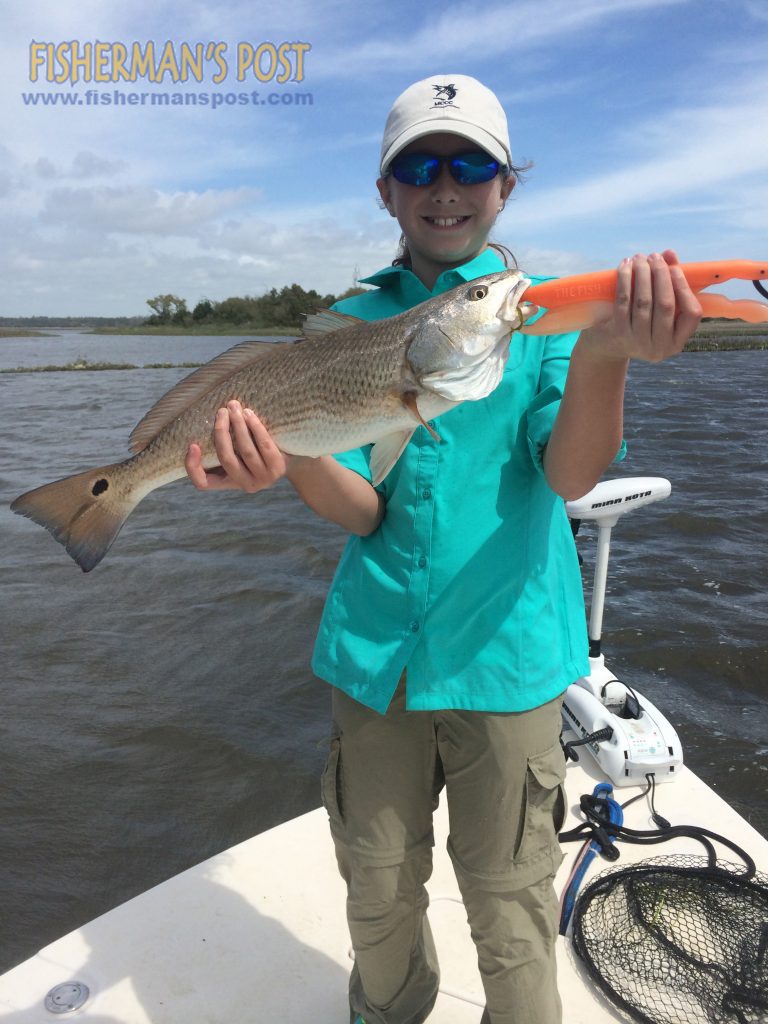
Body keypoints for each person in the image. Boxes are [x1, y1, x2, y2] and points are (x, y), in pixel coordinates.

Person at [185, 74, 702, 1024]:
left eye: (472, 163)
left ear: (507, 185)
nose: (445, 184)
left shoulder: (540, 310)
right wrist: (289, 458)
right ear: (386, 190)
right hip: (375, 658)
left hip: (506, 659)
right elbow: (362, 513)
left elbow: (570, 476)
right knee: (377, 887)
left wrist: (604, 353)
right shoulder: (346, 322)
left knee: (508, 901)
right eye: (419, 164)